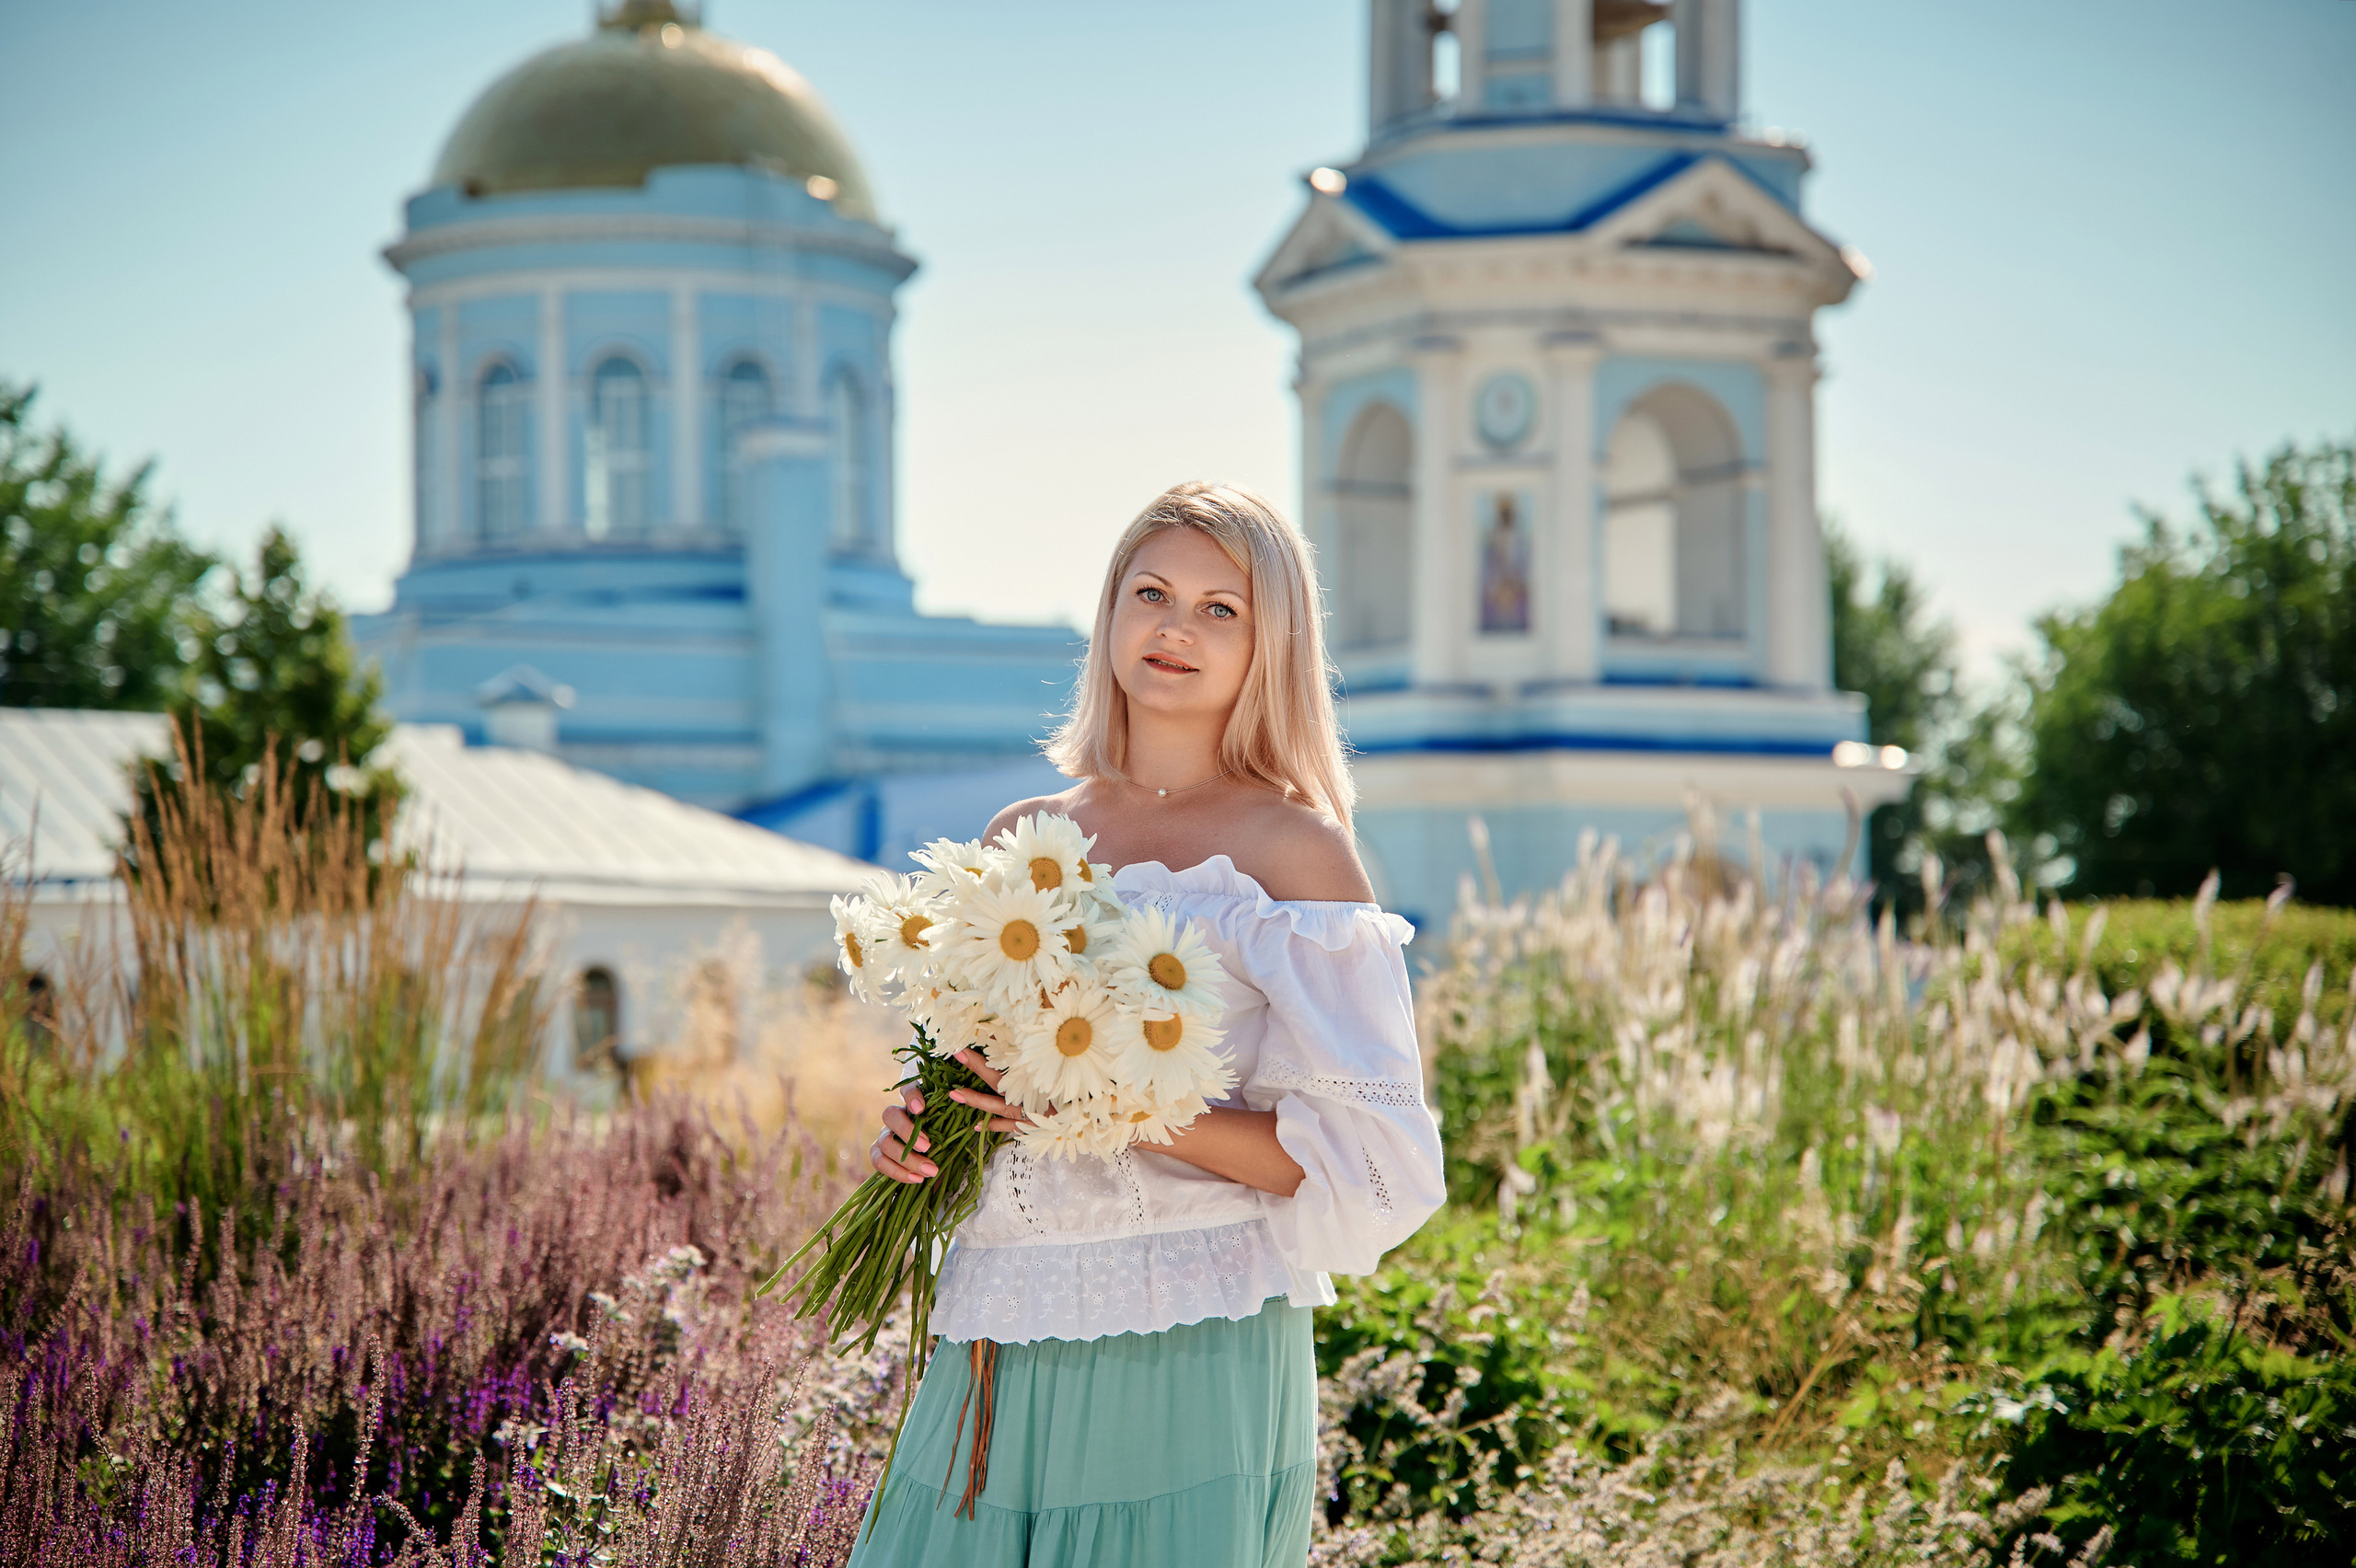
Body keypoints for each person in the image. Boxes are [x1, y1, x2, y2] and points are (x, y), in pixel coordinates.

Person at [849, 481, 1447, 1567]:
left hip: (1190, 1330)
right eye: (1152, 592)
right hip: (1000, 1321)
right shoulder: (1025, 836)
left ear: (1273, 646)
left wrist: (1112, 1107)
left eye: (1223, 609)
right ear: (1109, 614)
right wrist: (923, 1128)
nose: (1176, 627)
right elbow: (983, 1077)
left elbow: (1362, 1166)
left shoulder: (1297, 854)